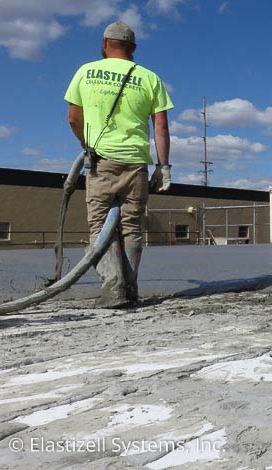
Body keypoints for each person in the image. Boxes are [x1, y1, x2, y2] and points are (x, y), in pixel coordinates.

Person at [64, 21, 173, 307]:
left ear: (104, 44)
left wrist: (86, 144)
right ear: (133, 48)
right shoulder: (150, 78)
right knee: (131, 227)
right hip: (136, 164)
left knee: (100, 226)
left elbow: (73, 118)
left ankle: (113, 290)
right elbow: (161, 126)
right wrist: (163, 167)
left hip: (101, 161)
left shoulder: (86, 72)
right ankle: (130, 289)